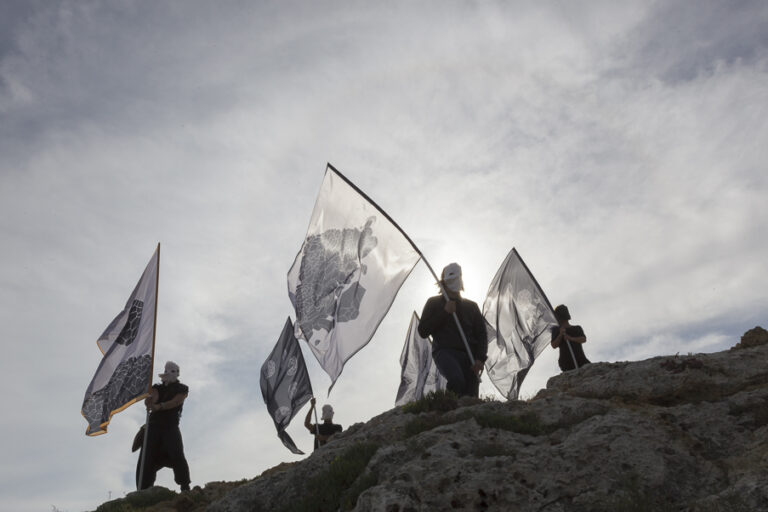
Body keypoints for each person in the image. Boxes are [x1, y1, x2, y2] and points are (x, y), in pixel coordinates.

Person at [418, 263, 487, 397]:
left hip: (470, 356)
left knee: (471, 395)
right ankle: (447, 409)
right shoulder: (433, 303)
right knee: (456, 380)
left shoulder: (471, 306)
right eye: (450, 280)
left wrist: (480, 358)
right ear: (443, 283)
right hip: (444, 352)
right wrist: (444, 312)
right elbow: (423, 330)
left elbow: (481, 334)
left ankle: (463, 415)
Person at [137, 361, 191, 491]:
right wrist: (149, 399)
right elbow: (151, 400)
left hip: (170, 426)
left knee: (176, 453)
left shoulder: (182, 388)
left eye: (174, 371)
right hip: (153, 426)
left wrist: (160, 406)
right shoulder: (157, 388)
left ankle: (184, 485)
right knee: (147, 456)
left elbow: (176, 401)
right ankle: (143, 488)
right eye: (170, 371)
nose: (172, 373)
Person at [550, 304, 590, 371]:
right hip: (566, 362)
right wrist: (560, 335)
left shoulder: (577, 328)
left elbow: (583, 339)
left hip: (581, 359)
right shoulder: (556, 330)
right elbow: (554, 345)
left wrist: (571, 338)